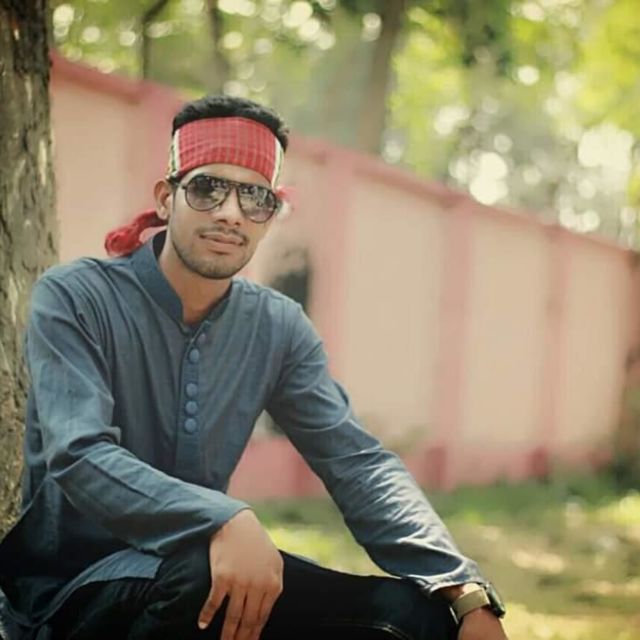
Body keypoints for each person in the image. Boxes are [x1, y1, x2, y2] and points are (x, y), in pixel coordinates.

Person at [0, 95, 508, 640]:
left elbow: (357, 464)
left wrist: (461, 587)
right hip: (72, 590)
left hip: (203, 564)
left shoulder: (277, 326)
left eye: (255, 197)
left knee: (414, 617)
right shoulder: (77, 297)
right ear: (167, 199)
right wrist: (221, 517)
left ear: (270, 217)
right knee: (200, 577)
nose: (230, 213)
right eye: (207, 188)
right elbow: (78, 454)